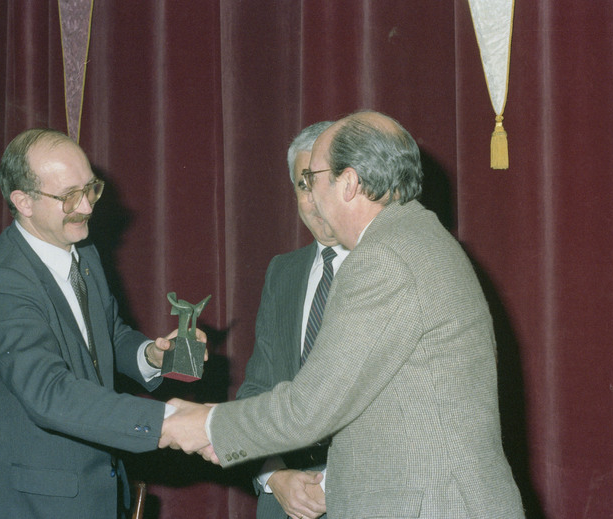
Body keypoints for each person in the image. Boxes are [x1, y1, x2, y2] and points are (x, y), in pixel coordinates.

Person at [160, 110, 525, 518]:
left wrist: (206, 425)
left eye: (312, 178)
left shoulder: (383, 258)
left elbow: (310, 408)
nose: (310, 195)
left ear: (348, 183)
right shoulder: (418, 235)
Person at [0, 128, 204, 518]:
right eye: (69, 196)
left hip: (94, 492)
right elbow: (50, 393)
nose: (88, 206)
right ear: (23, 201)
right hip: (33, 504)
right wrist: (168, 422)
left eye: (91, 188)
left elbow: (108, 334)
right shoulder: (3, 284)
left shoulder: (83, 252)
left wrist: (152, 356)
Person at [236, 121, 347, 519]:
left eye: (326, 182)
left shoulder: (387, 267)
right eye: (303, 185)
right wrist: (274, 476)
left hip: (363, 496)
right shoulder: (282, 272)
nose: (315, 201)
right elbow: (256, 391)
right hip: (282, 503)